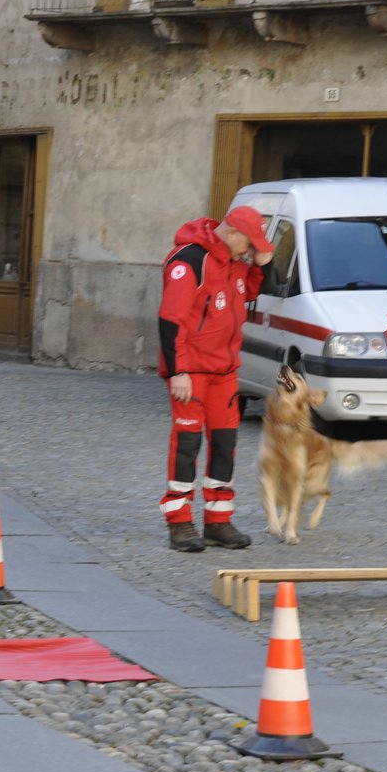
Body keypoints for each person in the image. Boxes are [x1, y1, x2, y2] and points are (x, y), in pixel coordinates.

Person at [157, 204, 272, 552]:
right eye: (249, 243)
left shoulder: (236, 264)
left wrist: (264, 265)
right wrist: (178, 371)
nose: (250, 250)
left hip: (224, 371)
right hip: (191, 372)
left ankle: (218, 522)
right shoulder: (189, 260)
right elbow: (170, 319)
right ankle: (179, 523)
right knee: (188, 444)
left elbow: (251, 293)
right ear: (232, 232)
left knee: (224, 444)